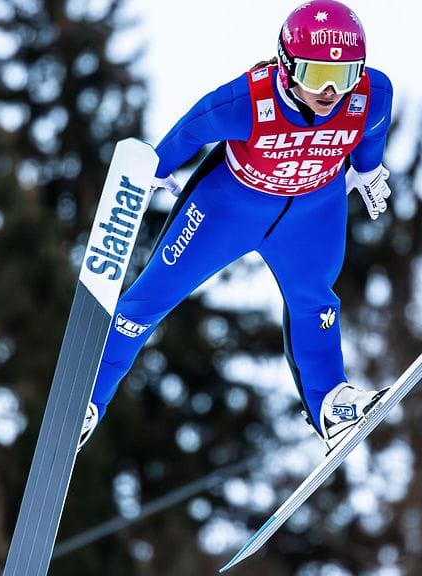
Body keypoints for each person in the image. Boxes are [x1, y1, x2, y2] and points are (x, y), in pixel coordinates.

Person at [80, 0, 394, 452]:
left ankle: (331, 404)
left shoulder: (372, 93)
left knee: (316, 303)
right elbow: (191, 130)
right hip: (226, 209)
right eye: (315, 75)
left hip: (312, 212)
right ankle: (88, 400)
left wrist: (367, 169)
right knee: (148, 300)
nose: (329, 91)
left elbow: (374, 129)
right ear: (286, 67)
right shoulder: (249, 99)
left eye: (343, 77)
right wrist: (154, 168)